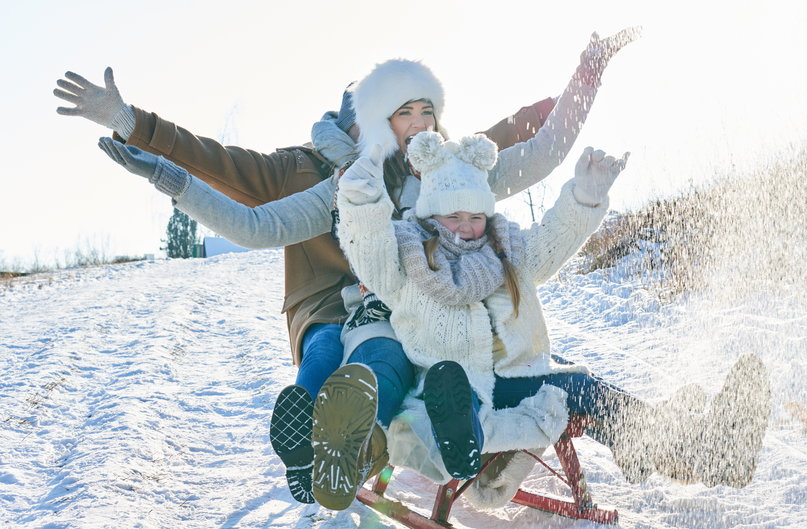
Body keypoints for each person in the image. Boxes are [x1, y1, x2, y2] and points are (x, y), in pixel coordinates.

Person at [86, 28, 642, 508]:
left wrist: (586, 75)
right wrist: (146, 144)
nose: (421, 124)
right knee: (370, 357)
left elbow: (533, 148)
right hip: (361, 315)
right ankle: (337, 450)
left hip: (461, 321)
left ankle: (653, 435)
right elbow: (248, 216)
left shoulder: (448, 168)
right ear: (374, 122)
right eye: (405, 113)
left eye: (428, 111)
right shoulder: (331, 180)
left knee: (550, 372)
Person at [333, 130, 771, 501]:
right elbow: (368, 251)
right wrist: (360, 202)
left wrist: (584, 198)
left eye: (475, 216)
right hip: (448, 385)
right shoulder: (407, 257)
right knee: (458, 387)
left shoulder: (505, 249)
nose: (466, 227)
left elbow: (550, 242)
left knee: (586, 389)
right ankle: (461, 441)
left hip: (517, 378)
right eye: (453, 216)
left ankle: (707, 447)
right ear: (431, 213)